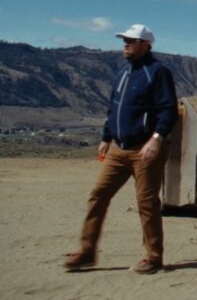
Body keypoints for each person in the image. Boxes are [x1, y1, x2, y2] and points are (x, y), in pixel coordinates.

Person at [64, 24, 178, 274]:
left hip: (145, 149)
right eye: (124, 40)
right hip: (118, 148)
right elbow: (113, 108)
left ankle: (153, 257)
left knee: (146, 203)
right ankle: (87, 252)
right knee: (98, 194)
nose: (125, 44)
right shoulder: (122, 73)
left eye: (131, 40)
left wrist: (156, 139)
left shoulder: (157, 73)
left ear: (146, 45)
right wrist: (106, 137)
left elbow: (168, 109)